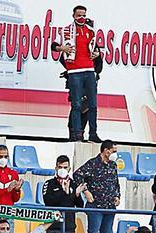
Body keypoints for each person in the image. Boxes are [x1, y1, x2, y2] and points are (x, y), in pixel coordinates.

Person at [54, 5, 101, 141]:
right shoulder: (66, 31)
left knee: (92, 105)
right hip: (75, 71)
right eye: (79, 15)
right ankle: (76, 135)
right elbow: (54, 45)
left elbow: (96, 49)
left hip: (89, 70)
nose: (82, 18)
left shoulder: (91, 30)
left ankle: (93, 134)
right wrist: (62, 48)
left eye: (84, 15)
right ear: (73, 16)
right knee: (76, 105)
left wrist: (97, 54)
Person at [73, 141, 120, 233]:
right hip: (95, 206)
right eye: (114, 151)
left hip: (110, 207)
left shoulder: (113, 165)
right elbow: (77, 175)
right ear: (106, 150)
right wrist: (85, 191)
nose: (115, 154)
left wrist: (117, 196)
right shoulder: (93, 163)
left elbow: (116, 182)